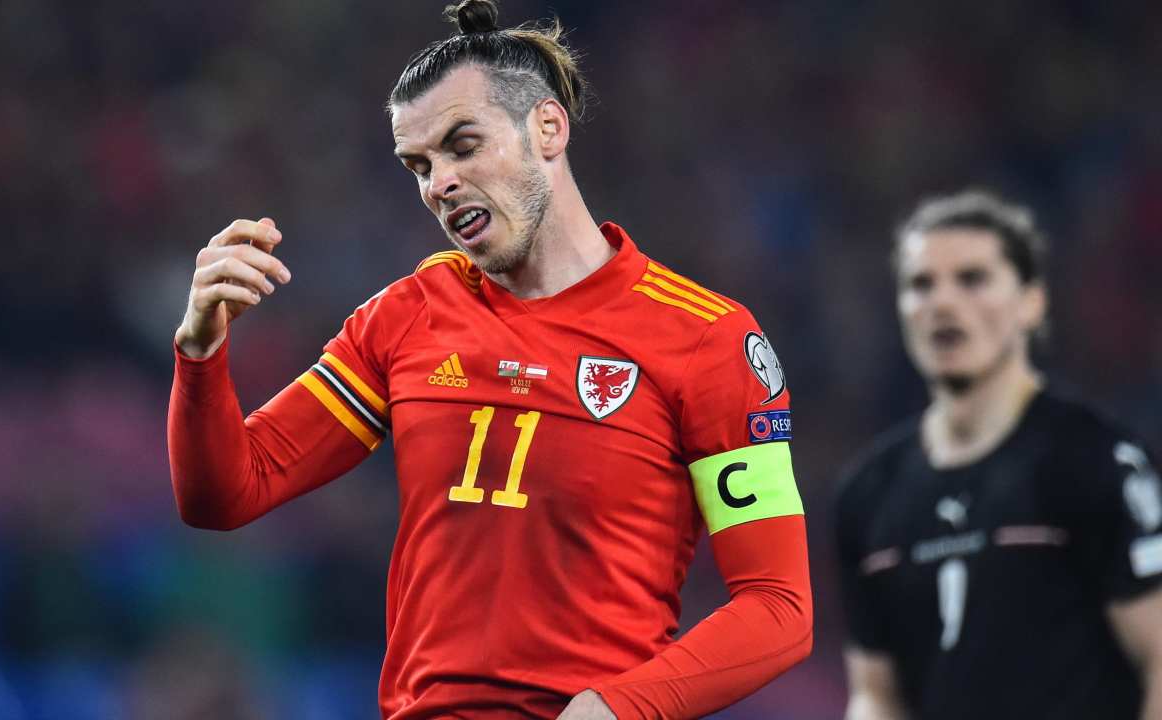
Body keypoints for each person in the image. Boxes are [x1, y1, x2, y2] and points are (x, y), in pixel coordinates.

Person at [168, 1, 811, 717]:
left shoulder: (705, 338)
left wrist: (618, 708)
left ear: (547, 128)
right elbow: (227, 494)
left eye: (462, 145)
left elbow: (778, 606)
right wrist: (201, 350)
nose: (438, 183)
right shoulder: (409, 315)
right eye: (419, 165)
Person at [834, 190, 1162, 719]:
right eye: (921, 285)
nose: (943, 303)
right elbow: (876, 693)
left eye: (972, 279)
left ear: (1032, 301)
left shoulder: (1095, 462)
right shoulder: (868, 494)